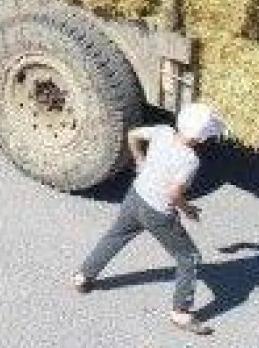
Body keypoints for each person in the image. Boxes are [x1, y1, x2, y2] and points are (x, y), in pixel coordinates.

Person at [72, 102, 226, 337]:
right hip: (158, 213)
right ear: (202, 138)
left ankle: (83, 277)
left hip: (135, 195)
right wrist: (188, 210)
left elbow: (133, 134)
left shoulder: (163, 131)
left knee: (115, 236)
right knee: (189, 257)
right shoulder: (190, 161)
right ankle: (180, 313)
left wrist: (139, 161)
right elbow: (174, 194)